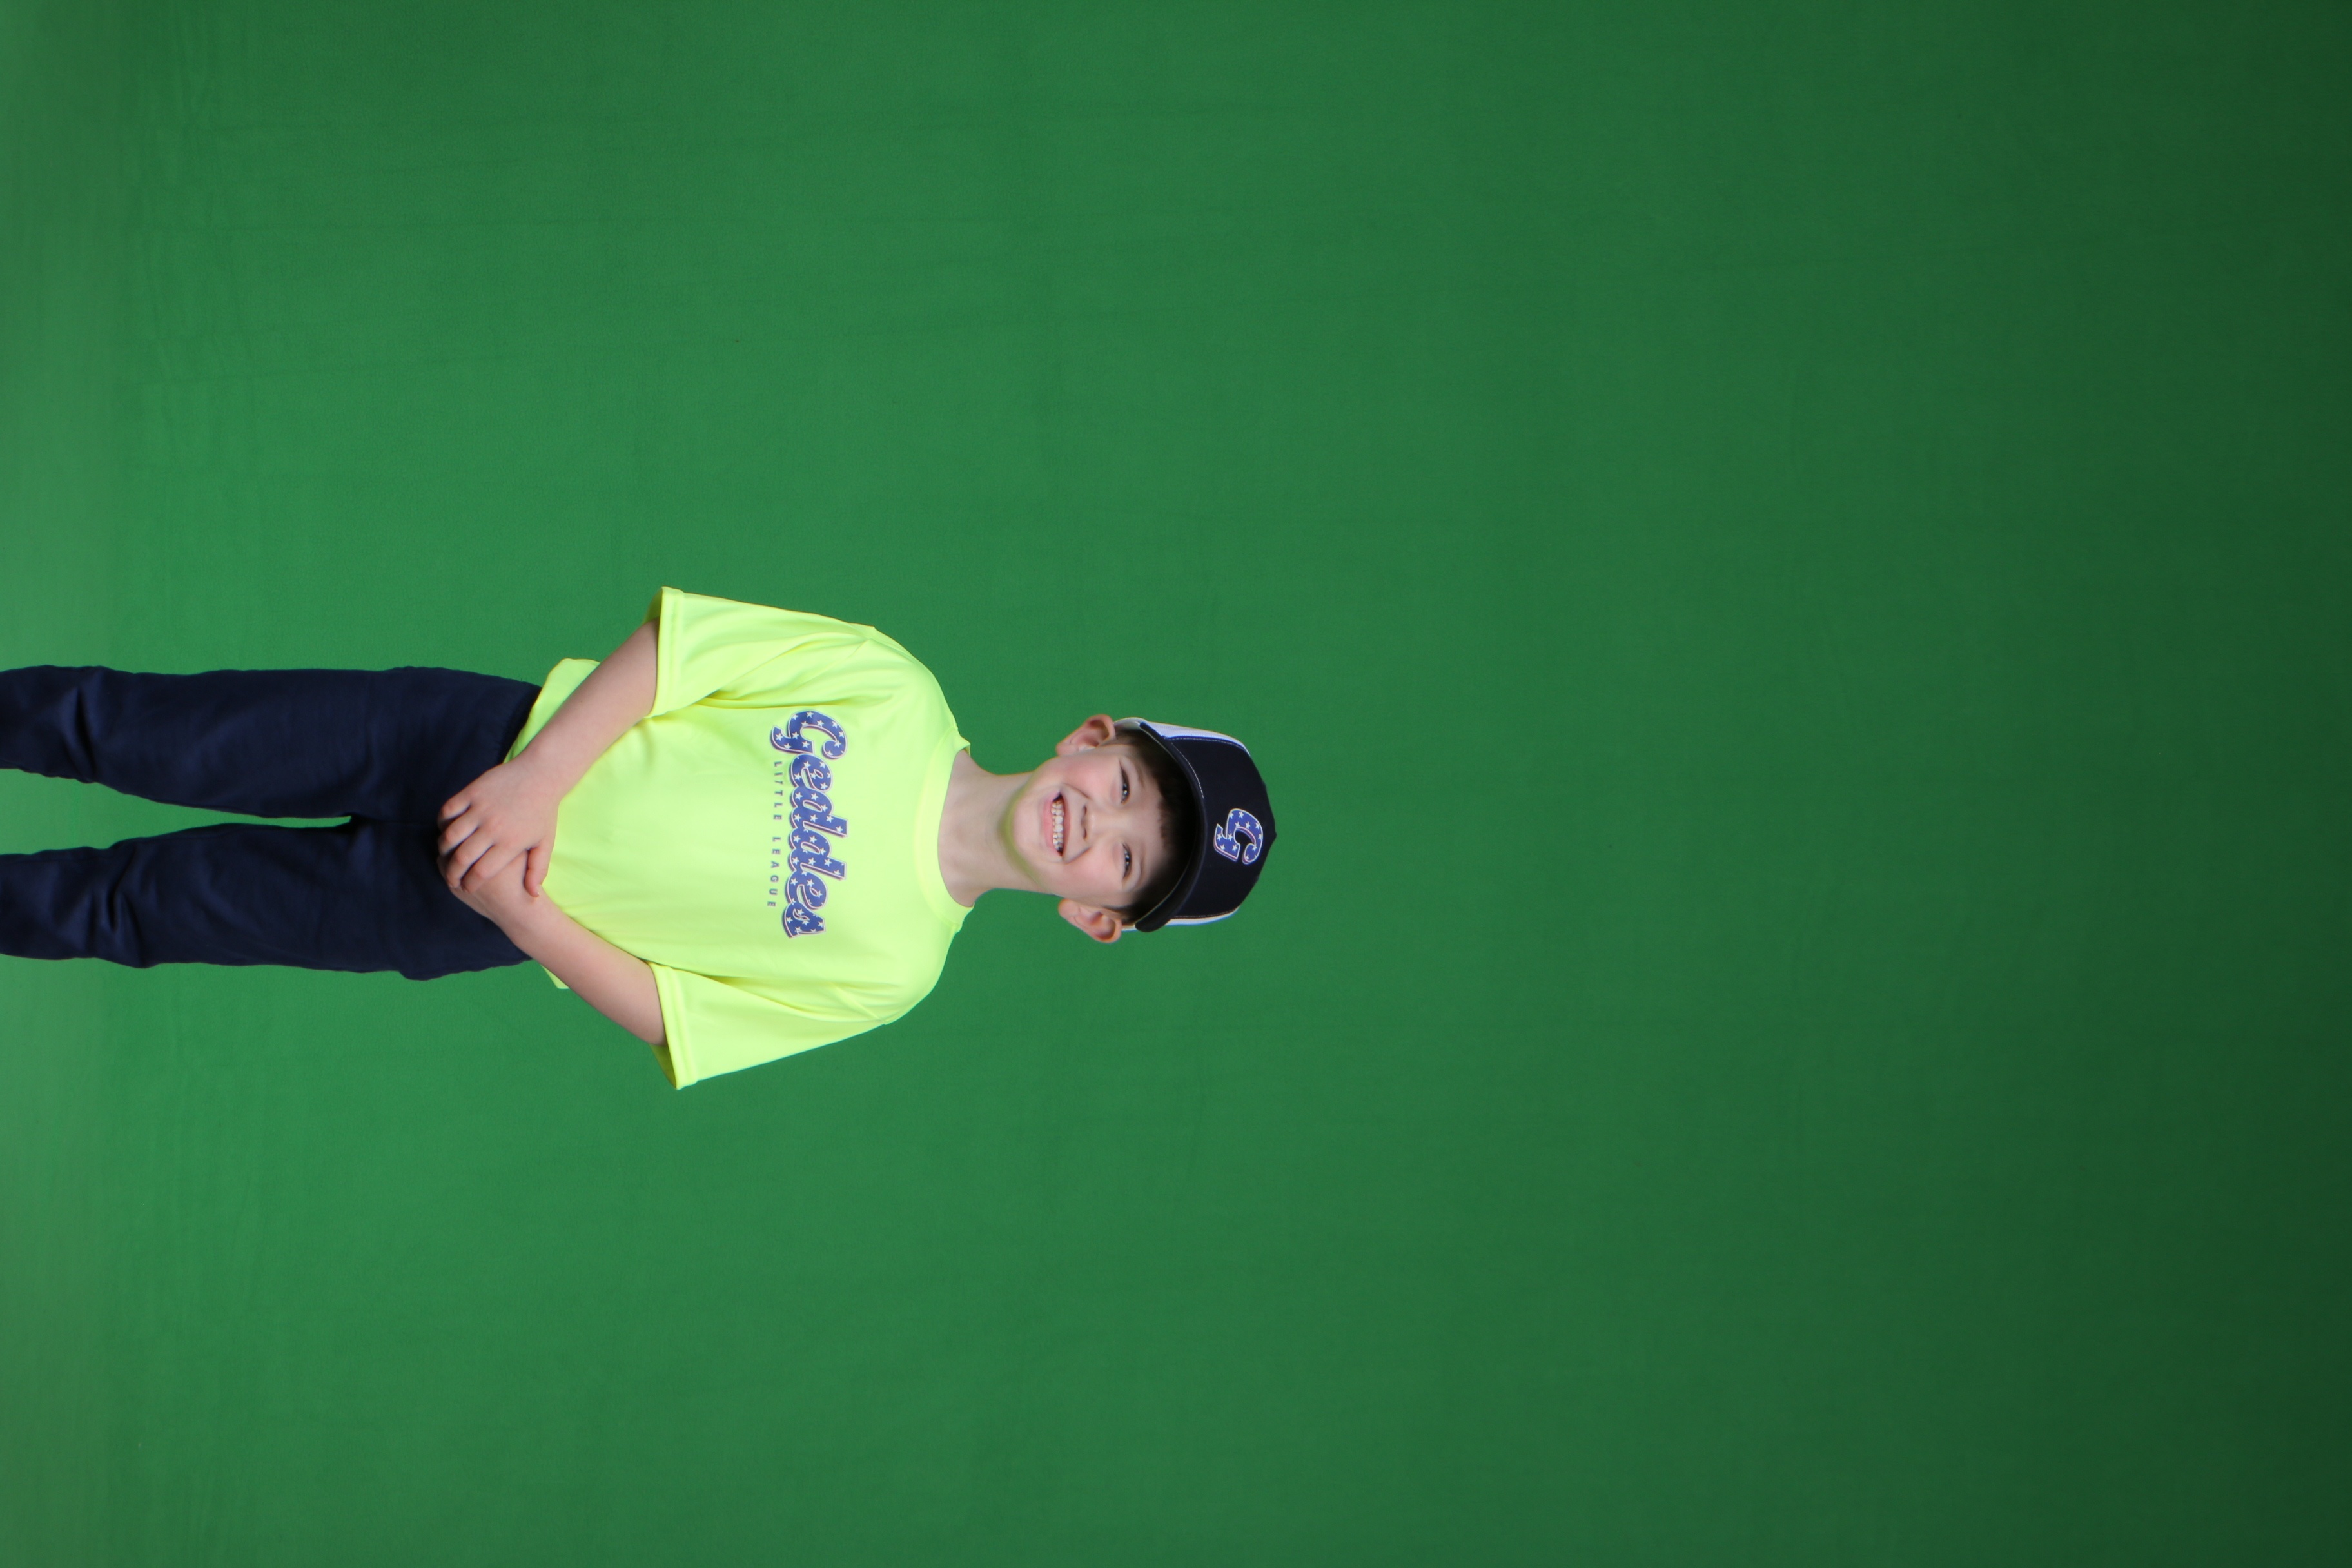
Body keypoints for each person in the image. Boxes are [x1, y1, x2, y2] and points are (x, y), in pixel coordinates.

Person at [0, 589, 1277, 1086]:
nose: (1099, 822)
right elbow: (683, 649)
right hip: (473, 740)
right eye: (1125, 784)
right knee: (135, 727)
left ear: (1095, 914)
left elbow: (679, 1018)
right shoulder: (893, 687)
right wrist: (538, 776)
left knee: (141, 908)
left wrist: (518, 910)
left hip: (463, 907)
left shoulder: (893, 971)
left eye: (1127, 859)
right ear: (1090, 736)